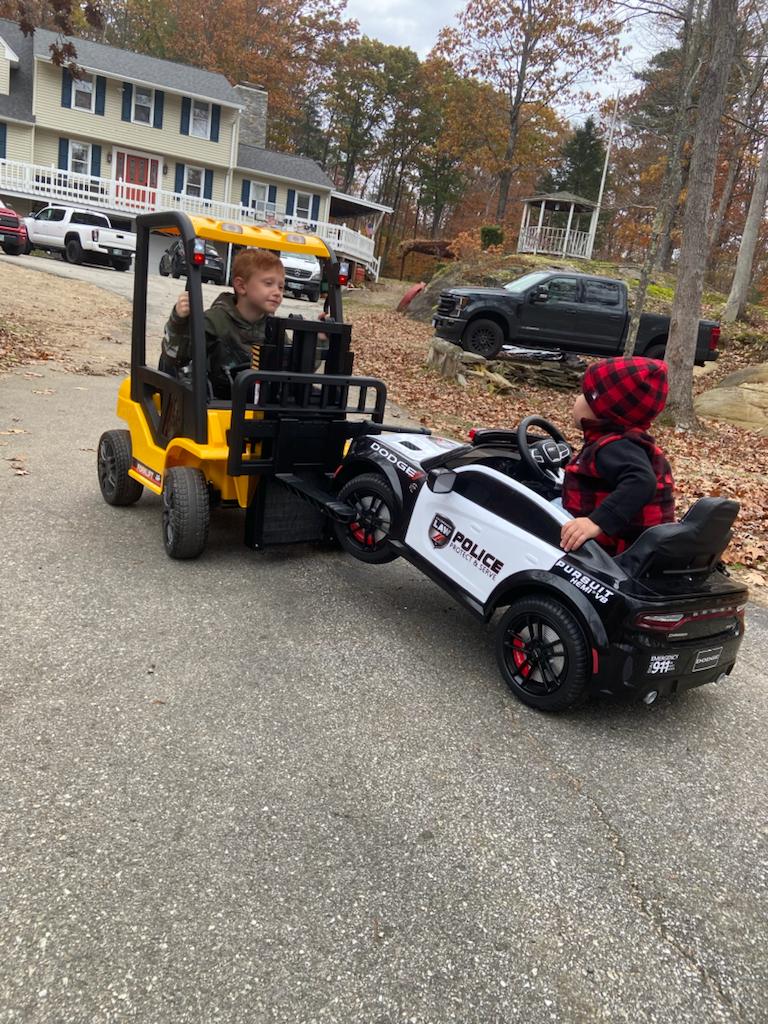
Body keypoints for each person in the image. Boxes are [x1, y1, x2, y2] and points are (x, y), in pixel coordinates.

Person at [560, 356, 675, 555]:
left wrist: (595, 522)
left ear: (599, 408)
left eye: (584, 395)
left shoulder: (612, 446)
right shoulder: (628, 441)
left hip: (612, 550)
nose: (577, 399)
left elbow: (641, 481)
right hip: (632, 543)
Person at [161, 248, 285, 397]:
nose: (277, 292)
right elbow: (177, 358)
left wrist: (320, 341)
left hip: (258, 405)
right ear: (241, 286)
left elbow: (296, 368)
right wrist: (179, 320)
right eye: (268, 283)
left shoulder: (273, 329)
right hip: (216, 405)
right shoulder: (214, 322)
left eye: (281, 287)